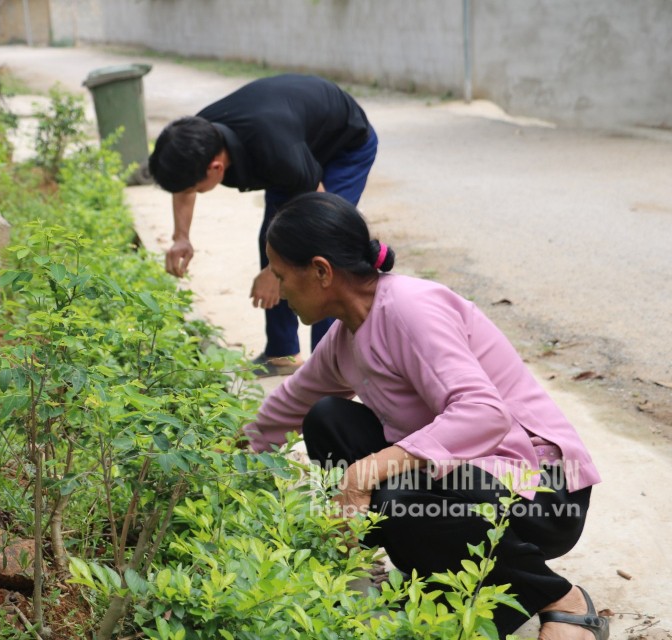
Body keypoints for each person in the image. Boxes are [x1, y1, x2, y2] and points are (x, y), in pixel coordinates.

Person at [243, 192, 608, 639]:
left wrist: (367, 472)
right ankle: (436, 584)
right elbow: (285, 408)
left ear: (321, 271)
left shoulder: (410, 309)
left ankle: (556, 596)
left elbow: (485, 415)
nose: (278, 293)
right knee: (327, 418)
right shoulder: (344, 339)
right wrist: (231, 457)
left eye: (281, 277)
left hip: (543, 490)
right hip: (470, 482)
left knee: (395, 496)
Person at [148, 74, 378, 376]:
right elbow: (184, 185)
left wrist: (274, 273)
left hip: (343, 147)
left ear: (215, 168)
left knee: (321, 258)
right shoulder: (196, 137)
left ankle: (330, 366)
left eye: (196, 188)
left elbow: (322, 218)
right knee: (273, 242)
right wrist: (181, 237)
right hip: (297, 145)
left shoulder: (277, 150)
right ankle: (282, 353)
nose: (192, 192)